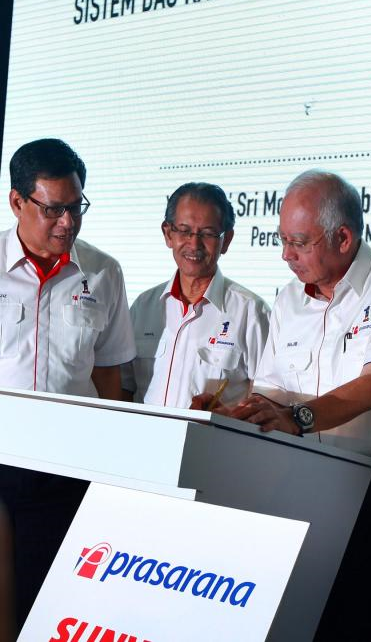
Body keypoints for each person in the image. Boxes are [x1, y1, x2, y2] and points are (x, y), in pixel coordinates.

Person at [195, 170, 371, 642]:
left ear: (343, 238)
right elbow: (271, 391)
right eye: (283, 240)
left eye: (299, 243)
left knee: (369, 621)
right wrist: (233, 416)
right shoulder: (288, 298)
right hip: (302, 478)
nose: (286, 255)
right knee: (308, 619)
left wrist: (298, 419)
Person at [0, 138, 136, 630]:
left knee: (49, 602)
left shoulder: (103, 273)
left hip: (66, 470)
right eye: (54, 209)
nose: (68, 222)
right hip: (0, 458)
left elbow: (109, 375)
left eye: (76, 207)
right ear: (17, 202)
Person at [122, 183, 269, 407]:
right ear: (168, 234)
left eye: (208, 234)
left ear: (226, 240)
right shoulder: (143, 306)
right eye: (184, 231)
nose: (194, 243)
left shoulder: (251, 312)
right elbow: (124, 387)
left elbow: (266, 403)